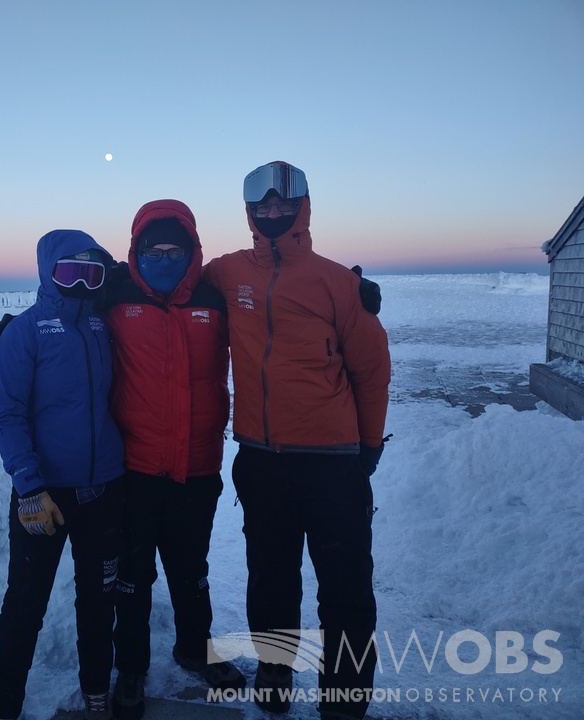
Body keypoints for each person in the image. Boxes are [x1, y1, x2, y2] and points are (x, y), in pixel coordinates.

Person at [203, 161, 391, 720]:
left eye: (283, 202)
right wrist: (113, 284)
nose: (271, 211)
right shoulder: (228, 272)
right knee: (271, 578)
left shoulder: (337, 282)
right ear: (248, 210)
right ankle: (275, 669)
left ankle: (345, 698)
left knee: (346, 587)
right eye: (260, 204)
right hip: (262, 460)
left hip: (332, 462)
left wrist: (369, 446)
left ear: (303, 206)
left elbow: (372, 370)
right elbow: (174, 281)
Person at [103, 200, 245, 720]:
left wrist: (351, 295)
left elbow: (280, 301)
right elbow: (61, 307)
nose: (164, 259)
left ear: (192, 252)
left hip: (199, 465)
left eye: (174, 250)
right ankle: (132, 667)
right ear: (136, 252)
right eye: (153, 249)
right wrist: (13, 335)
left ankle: (194, 649)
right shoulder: (114, 294)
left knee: (191, 570)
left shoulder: (216, 296)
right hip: (135, 470)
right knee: (134, 576)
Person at [0, 229, 126, 720]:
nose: (83, 284)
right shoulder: (24, 331)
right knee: (26, 603)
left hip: (102, 490)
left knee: (99, 599)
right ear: (49, 273)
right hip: (42, 494)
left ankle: (96, 693)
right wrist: (28, 486)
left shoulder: (100, 327)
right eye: (71, 273)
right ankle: (3, 707)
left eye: (93, 274)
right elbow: (7, 413)